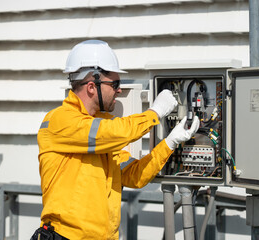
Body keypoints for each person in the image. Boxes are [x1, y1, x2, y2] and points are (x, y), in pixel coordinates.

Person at [31, 40, 200, 240]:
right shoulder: (59, 120)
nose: (119, 90)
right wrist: (154, 113)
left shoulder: (103, 133)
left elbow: (134, 176)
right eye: (115, 84)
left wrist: (170, 142)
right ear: (92, 87)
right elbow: (112, 133)